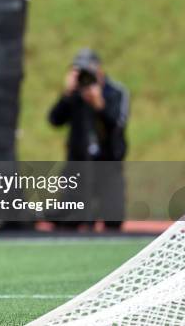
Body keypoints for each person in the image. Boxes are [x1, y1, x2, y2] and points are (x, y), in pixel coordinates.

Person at [48, 49, 129, 229]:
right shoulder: (75, 95)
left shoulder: (115, 92)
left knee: (113, 220)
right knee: (69, 220)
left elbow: (118, 124)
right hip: (78, 166)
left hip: (109, 165)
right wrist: (67, 94)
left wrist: (100, 104)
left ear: (99, 70)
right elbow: (54, 120)